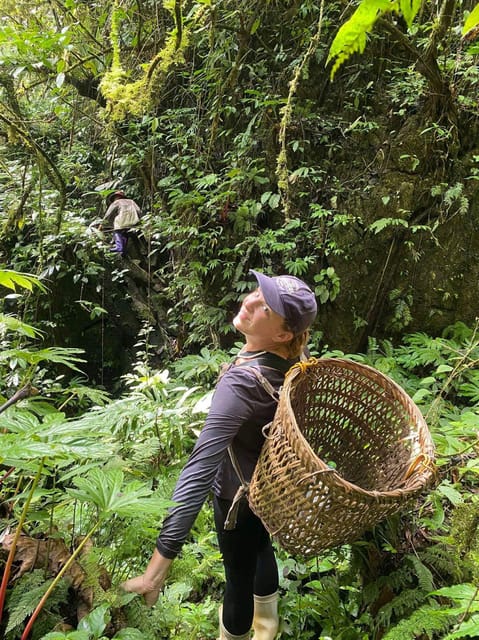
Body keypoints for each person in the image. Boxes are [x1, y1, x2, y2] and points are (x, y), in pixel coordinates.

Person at [122, 270, 317, 640]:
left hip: (236, 496)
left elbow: (199, 471)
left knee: (237, 578)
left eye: (265, 307)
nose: (250, 301)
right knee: (261, 548)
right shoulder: (296, 356)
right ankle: (268, 628)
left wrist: (155, 572)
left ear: (282, 334)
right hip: (269, 485)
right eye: (258, 292)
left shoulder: (241, 383)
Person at [102, 190, 141, 257]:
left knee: (117, 232)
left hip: (121, 223)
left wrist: (102, 225)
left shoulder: (116, 202)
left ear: (116, 197)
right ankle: (124, 252)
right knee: (125, 234)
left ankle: (119, 247)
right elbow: (138, 211)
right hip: (133, 223)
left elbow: (108, 214)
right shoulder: (132, 202)